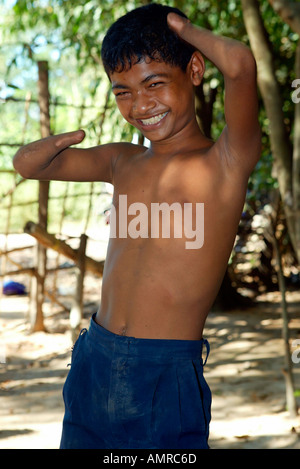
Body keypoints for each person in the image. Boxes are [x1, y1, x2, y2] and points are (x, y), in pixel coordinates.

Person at [13, 3, 261, 449]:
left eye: (154, 83)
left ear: (196, 69)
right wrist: (63, 140)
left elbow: (241, 67)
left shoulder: (225, 161)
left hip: (164, 373)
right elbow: (28, 165)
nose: (140, 104)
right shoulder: (121, 159)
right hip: (94, 356)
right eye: (122, 91)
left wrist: (182, 29)